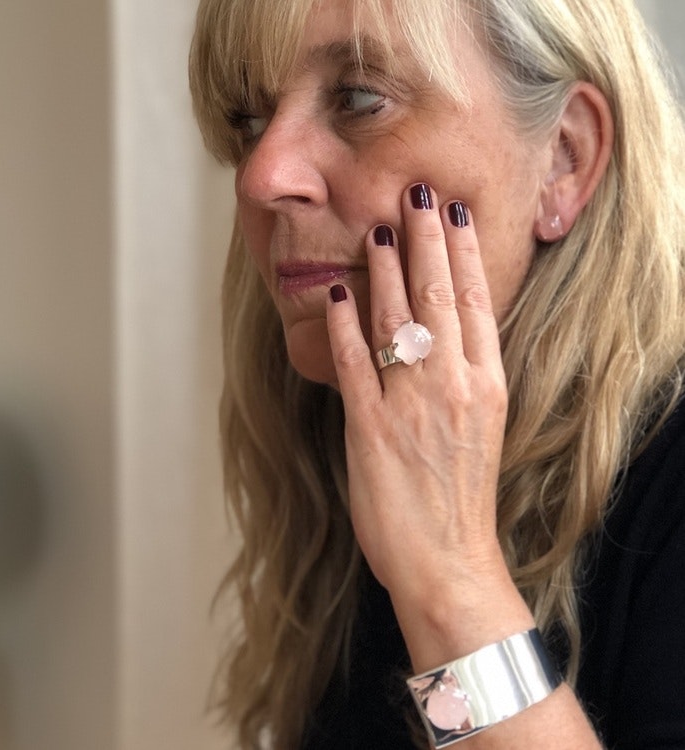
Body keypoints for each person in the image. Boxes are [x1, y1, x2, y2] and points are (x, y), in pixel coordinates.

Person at [189, 0, 685, 747]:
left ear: (564, 158)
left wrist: (452, 581)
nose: (262, 176)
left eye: (359, 99)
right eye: (250, 120)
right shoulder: (341, 463)